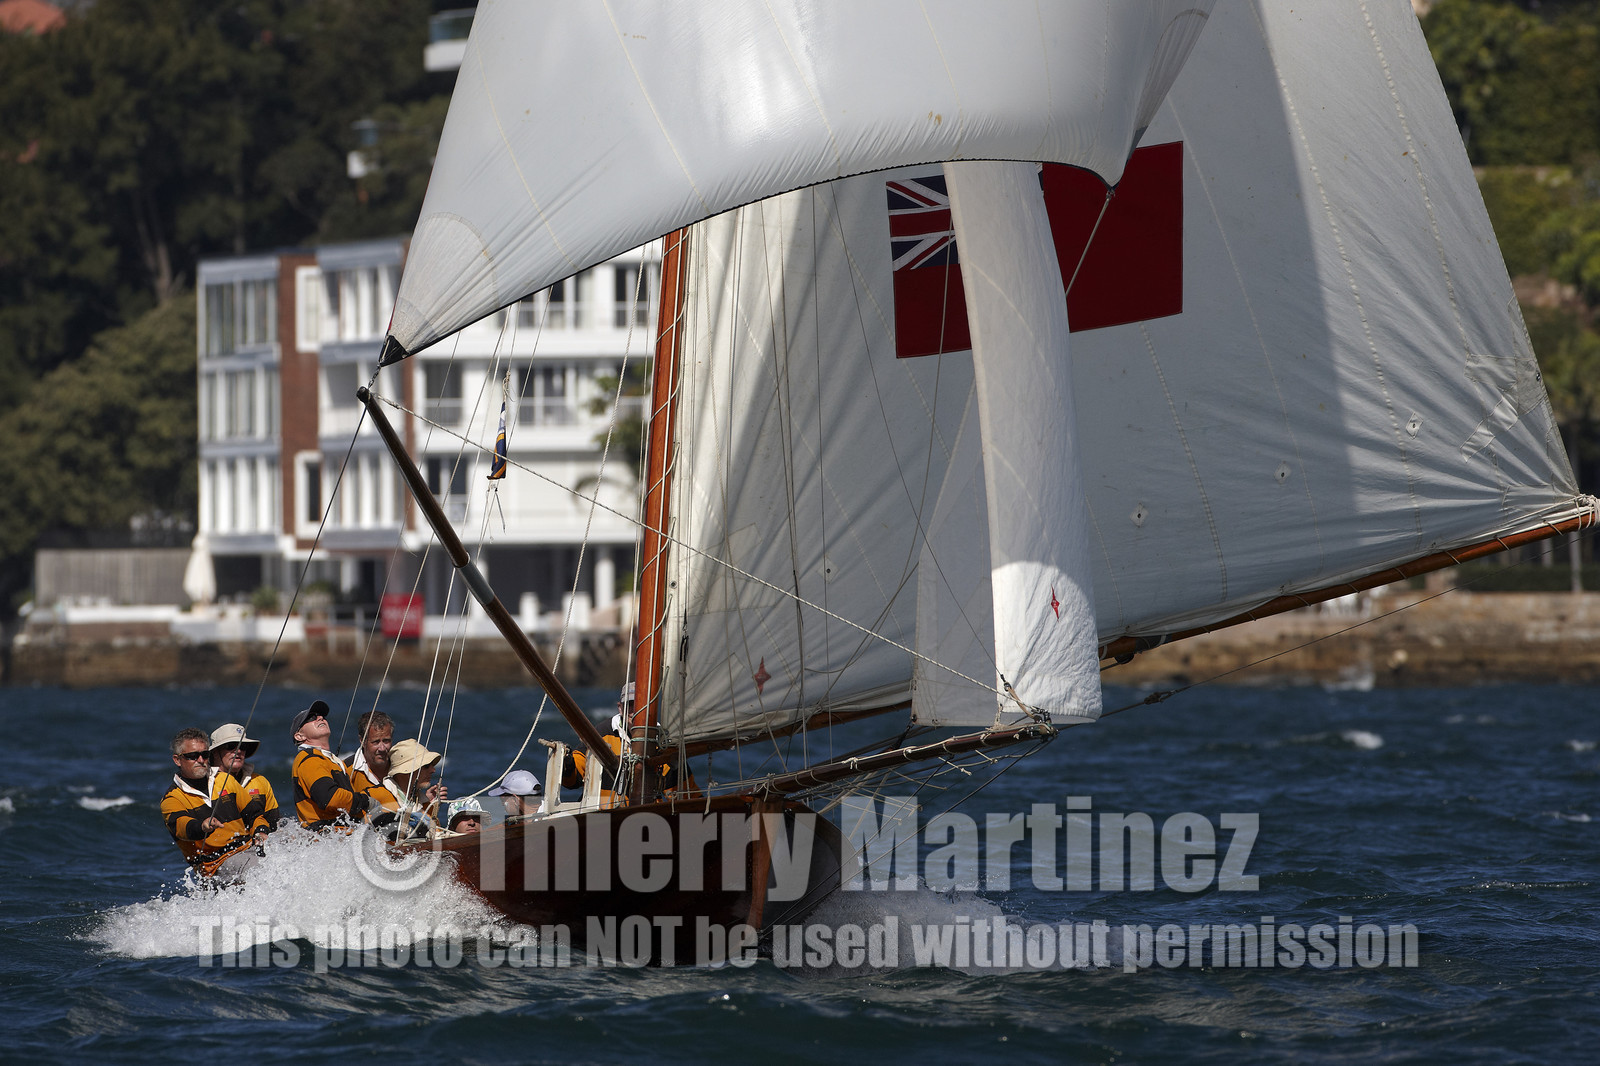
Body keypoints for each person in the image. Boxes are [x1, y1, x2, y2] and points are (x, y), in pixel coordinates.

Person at [160, 726, 263, 879]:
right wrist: (202, 826)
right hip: (215, 866)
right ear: (177, 760)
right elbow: (182, 828)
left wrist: (261, 830)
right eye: (193, 756)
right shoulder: (171, 799)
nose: (201, 760)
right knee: (265, 869)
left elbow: (254, 814)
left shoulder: (224, 779)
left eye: (205, 755)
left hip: (247, 850)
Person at [289, 700, 372, 830]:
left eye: (322, 716)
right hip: (326, 837)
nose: (320, 718)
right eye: (312, 718)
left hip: (339, 835)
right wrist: (366, 801)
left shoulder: (328, 760)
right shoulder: (309, 759)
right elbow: (330, 798)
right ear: (299, 736)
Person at [207, 723, 280, 836]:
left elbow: (275, 823)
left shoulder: (260, 781)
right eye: (231, 746)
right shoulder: (206, 785)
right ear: (215, 752)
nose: (238, 751)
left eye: (243, 747)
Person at [385, 738, 448, 836]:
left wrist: (429, 806)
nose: (433, 770)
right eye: (426, 766)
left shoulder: (420, 800)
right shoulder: (382, 796)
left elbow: (433, 835)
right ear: (406, 771)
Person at [348, 710, 400, 814]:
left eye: (386, 741)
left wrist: (427, 801)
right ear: (362, 740)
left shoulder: (401, 768)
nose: (382, 748)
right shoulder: (346, 771)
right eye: (376, 742)